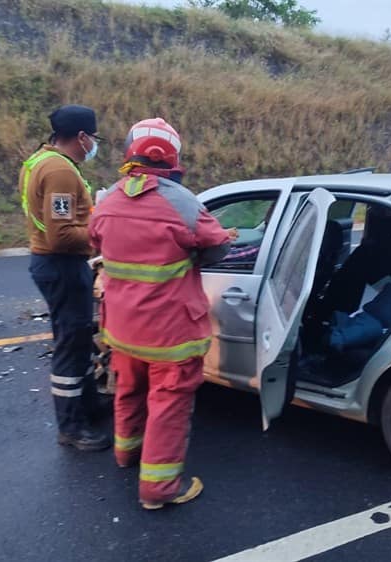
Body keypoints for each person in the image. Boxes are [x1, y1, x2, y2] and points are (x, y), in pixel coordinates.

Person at [89, 118, 235, 509]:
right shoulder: (184, 203)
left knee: (129, 390)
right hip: (171, 334)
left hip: (122, 327)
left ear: (129, 153)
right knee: (168, 405)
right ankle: (158, 489)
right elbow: (219, 248)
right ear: (172, 156)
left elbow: (96, 240)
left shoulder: (108, 201)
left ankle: (126, 454)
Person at [19, 104, 110, 451]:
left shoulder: (38, 161)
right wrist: (100, 230)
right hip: (61, 264)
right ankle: (71, 427)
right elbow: (61, 235)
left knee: (77, 337)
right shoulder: (60, 171)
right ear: (83, 137)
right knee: (71, 345)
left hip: (50, 262)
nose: (94, 145)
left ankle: (89, 405)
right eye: (94, 138)